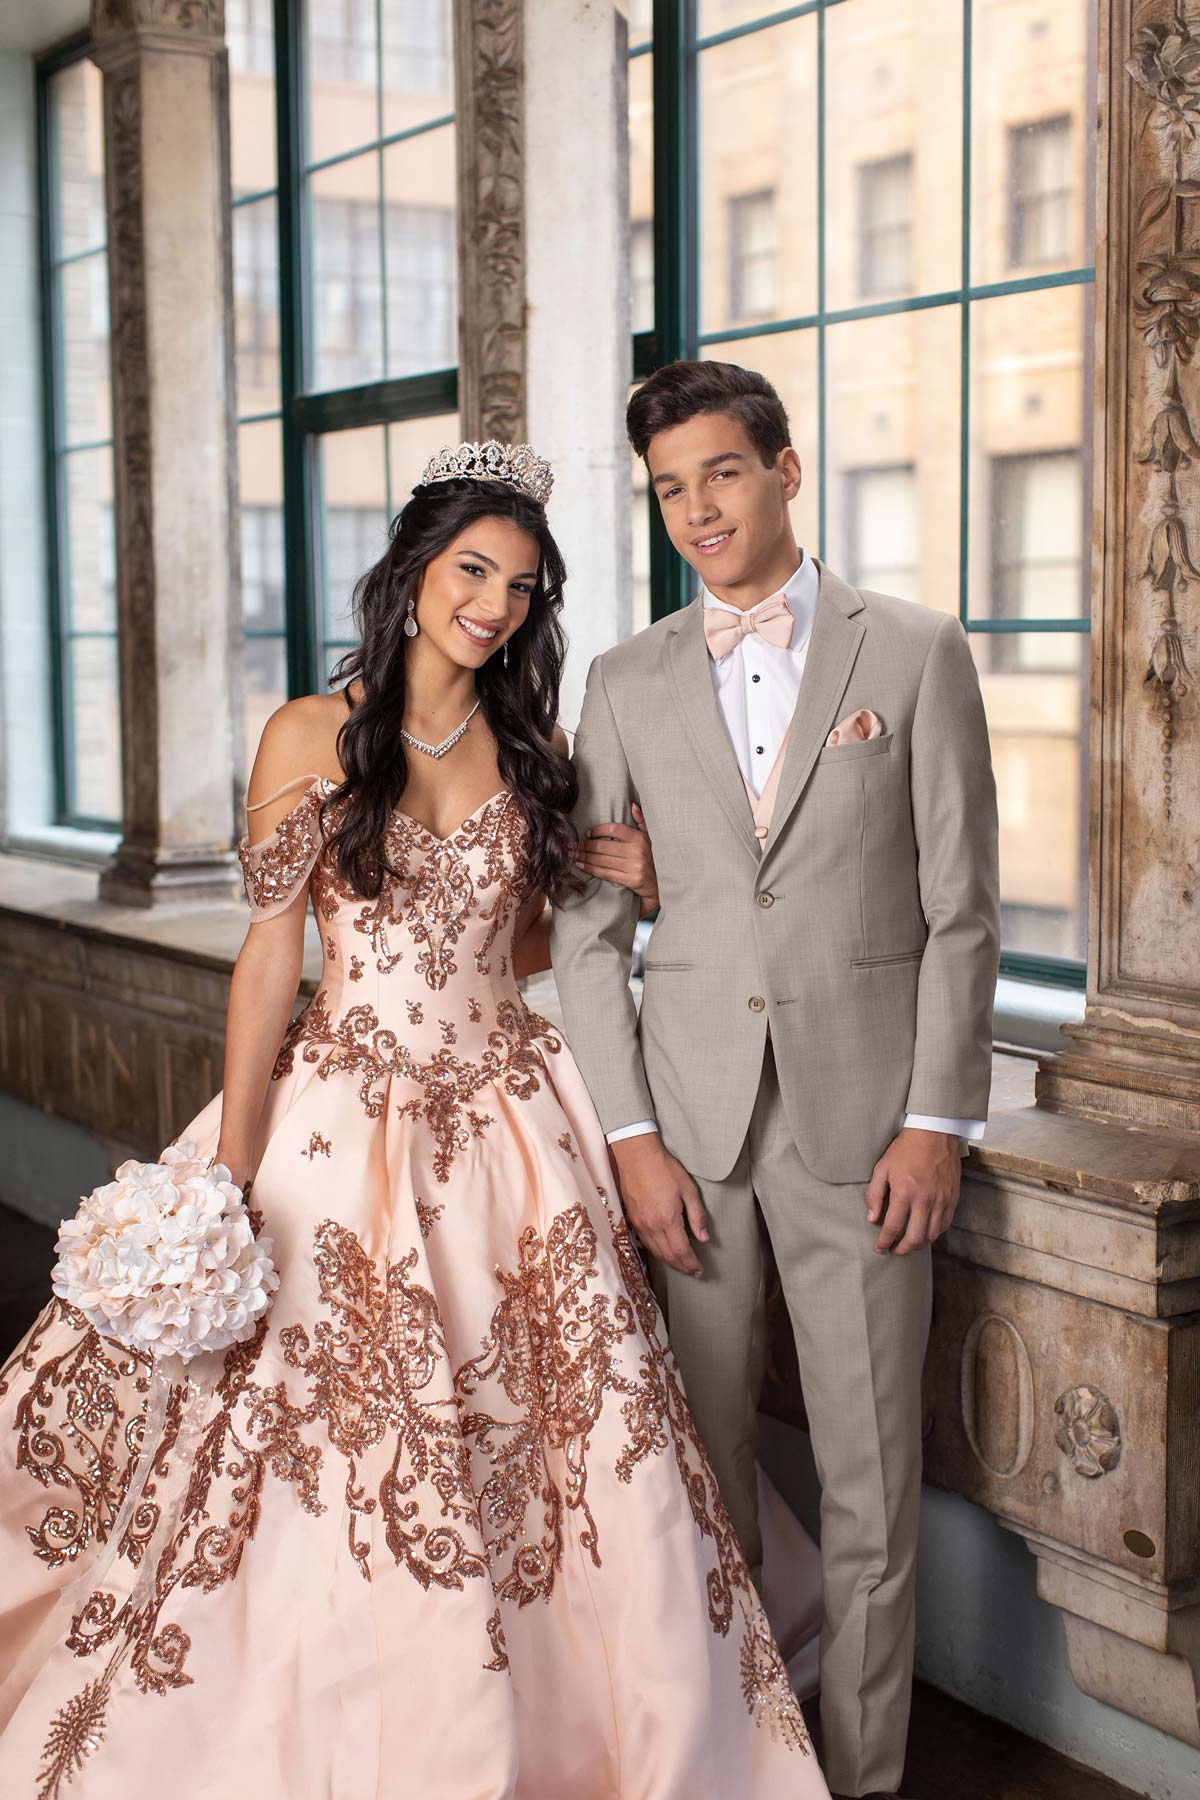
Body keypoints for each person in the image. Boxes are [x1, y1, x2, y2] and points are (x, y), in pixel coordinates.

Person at [0, 442, 830, 1800]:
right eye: (472, 571)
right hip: (345, 1113)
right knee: (321, 1432)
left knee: (563, 1432)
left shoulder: (533, 744)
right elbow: (274, 955)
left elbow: (530, 951)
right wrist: (235, 1164)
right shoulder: (308, 731)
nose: (495, 605)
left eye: (520, 583)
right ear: (412, 572)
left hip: (511, 1111)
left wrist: (657, 887)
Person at [551, 361, 1002, 1800]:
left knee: (873, 1502)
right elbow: (588, 933)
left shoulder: (916, 653)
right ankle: (741, 1770)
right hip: (686, 1139)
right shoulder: (620, 682)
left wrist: (936, 1121)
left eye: (721, 474)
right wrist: (630, 1141)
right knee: (705, 1485)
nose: (697, 510)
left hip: (866, 1134)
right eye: (670, 488)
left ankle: (862, 1785)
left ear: (787, 471)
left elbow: (963, 913)